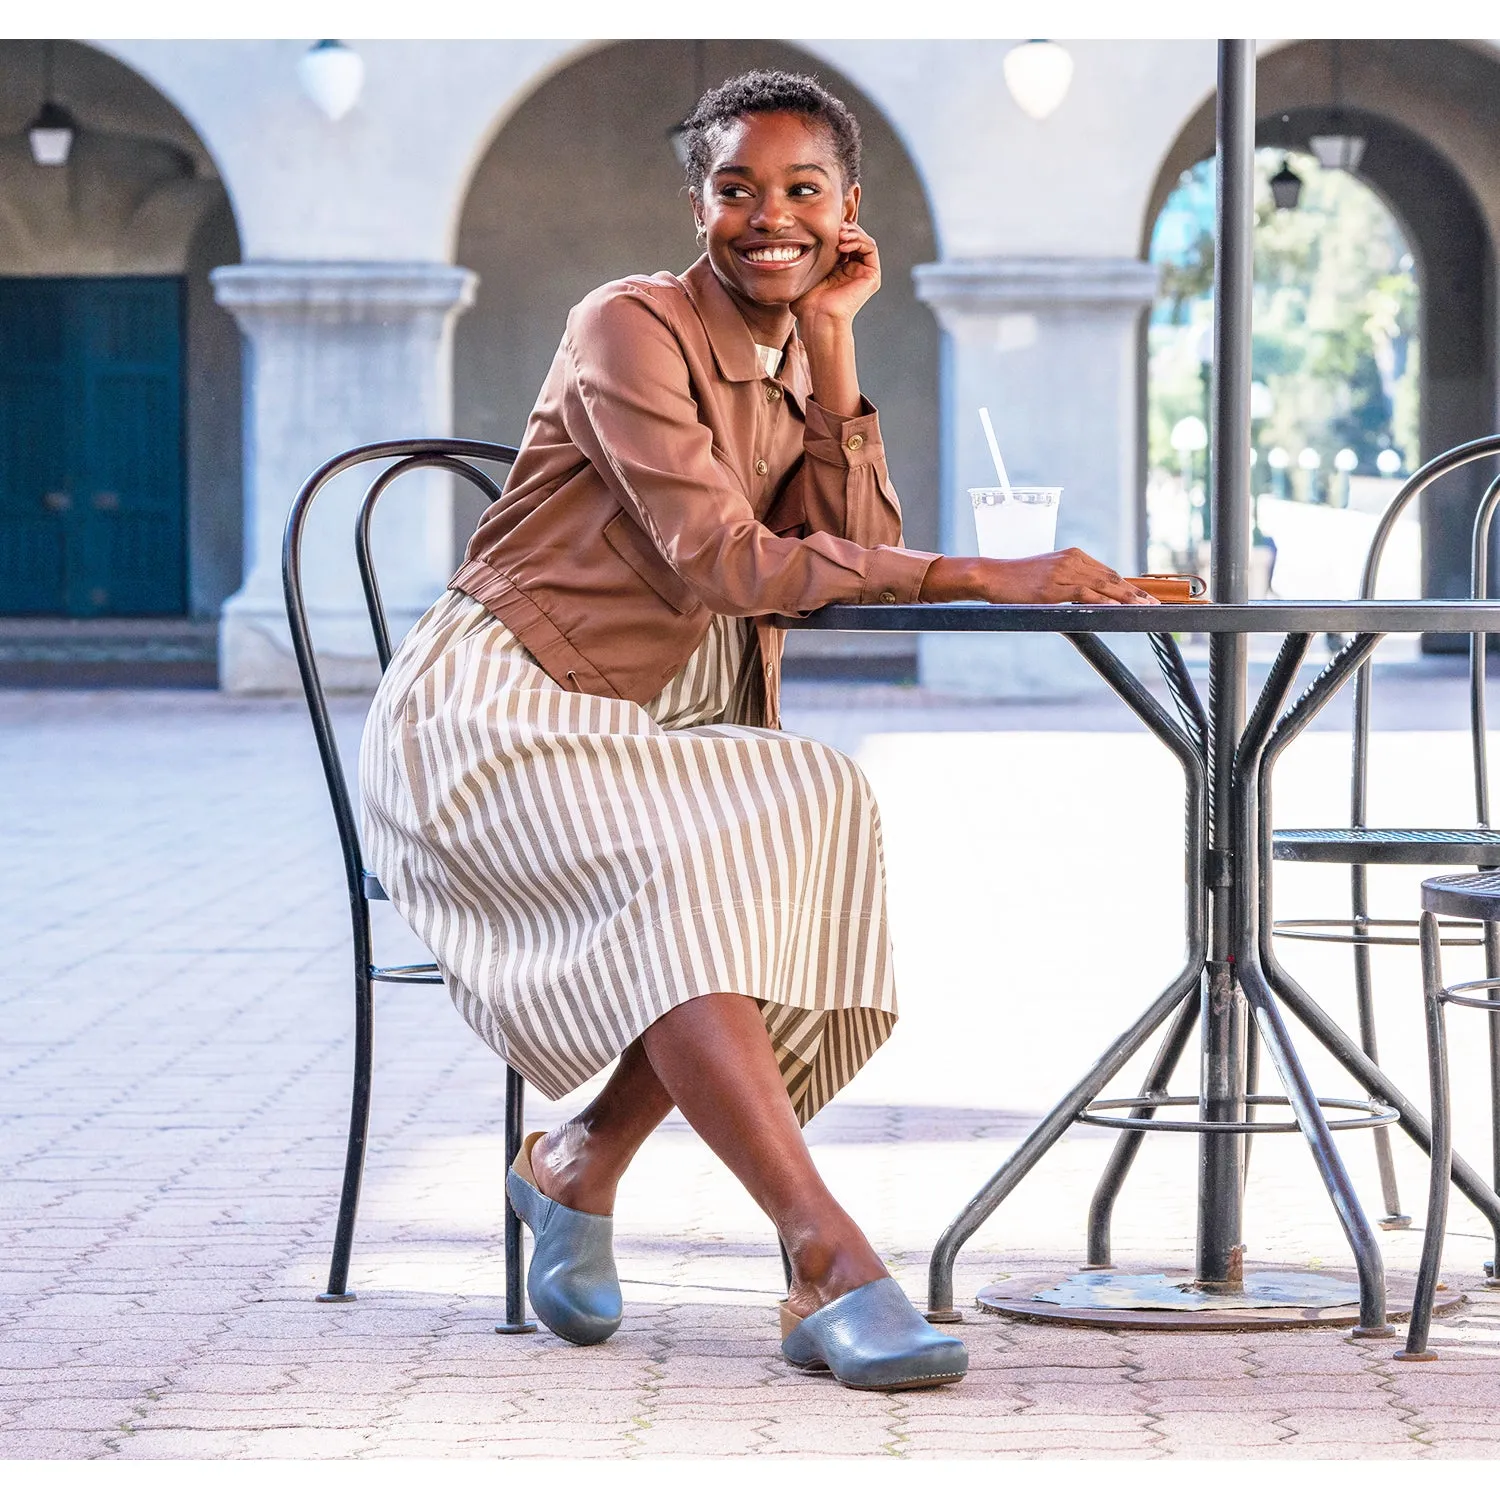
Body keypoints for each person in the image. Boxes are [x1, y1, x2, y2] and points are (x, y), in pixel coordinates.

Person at [360, 68, 1153, 1392]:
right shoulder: (630, 325)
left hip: (644, 731)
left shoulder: (798, 355)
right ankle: (825, 1255)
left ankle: (581, 1159)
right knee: (701, 859)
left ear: (849, 211)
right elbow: (726, 562)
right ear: (698, 203)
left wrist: (838, 344)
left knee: (811, 805)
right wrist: (982, 573)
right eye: (737, 189)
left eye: (801, 191)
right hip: (493, 718)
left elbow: (852, 547)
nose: (766, 217)